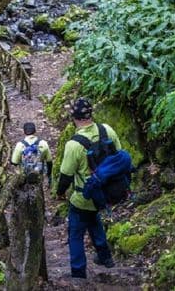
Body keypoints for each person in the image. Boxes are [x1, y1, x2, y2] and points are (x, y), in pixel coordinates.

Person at [56, 97, 117, 279]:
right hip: (106, 192)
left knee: (75, 233)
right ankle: (106, 257)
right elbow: (118, 155)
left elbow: (66, 175)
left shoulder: (74, 144)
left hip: (85, 195)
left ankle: (78, 272)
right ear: (91, 114)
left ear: (73, 117)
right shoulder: (107, 130)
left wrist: (60, 193)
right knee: (93, 219)